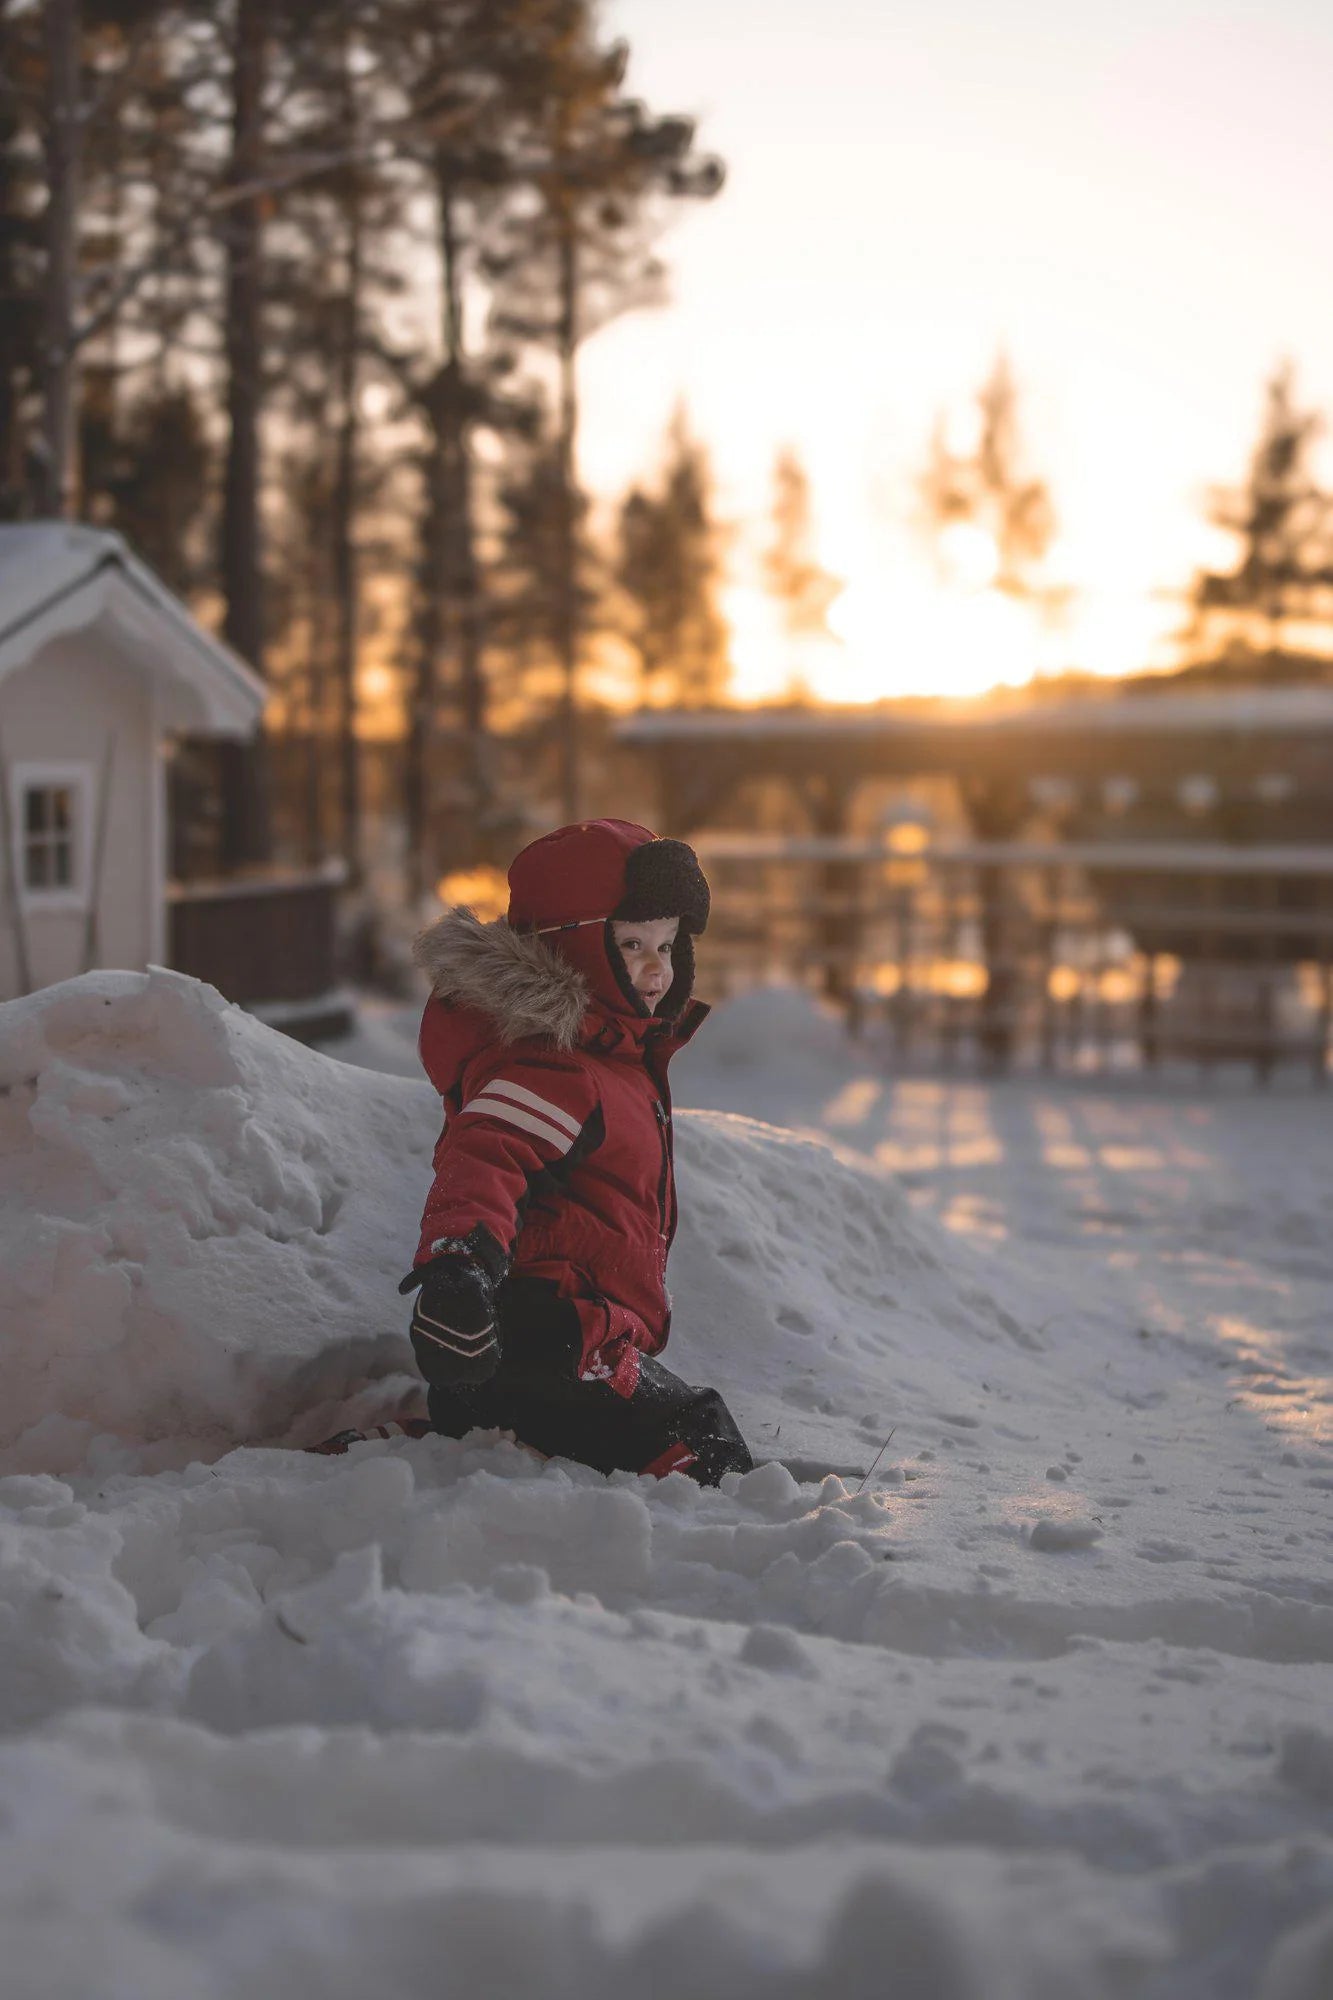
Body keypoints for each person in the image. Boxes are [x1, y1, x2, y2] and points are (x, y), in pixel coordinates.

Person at [394, 818, 753, 1485]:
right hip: (539, 1341)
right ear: (576, 945)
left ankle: (482, 1441)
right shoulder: (555, 1066)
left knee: (691, 1434)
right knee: (701, 1444)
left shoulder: (608, 1056)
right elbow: (488, 1157)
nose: (656, 968)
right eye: (632, 943)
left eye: (668, 946)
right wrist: (458, 1269)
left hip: (564, 1339)